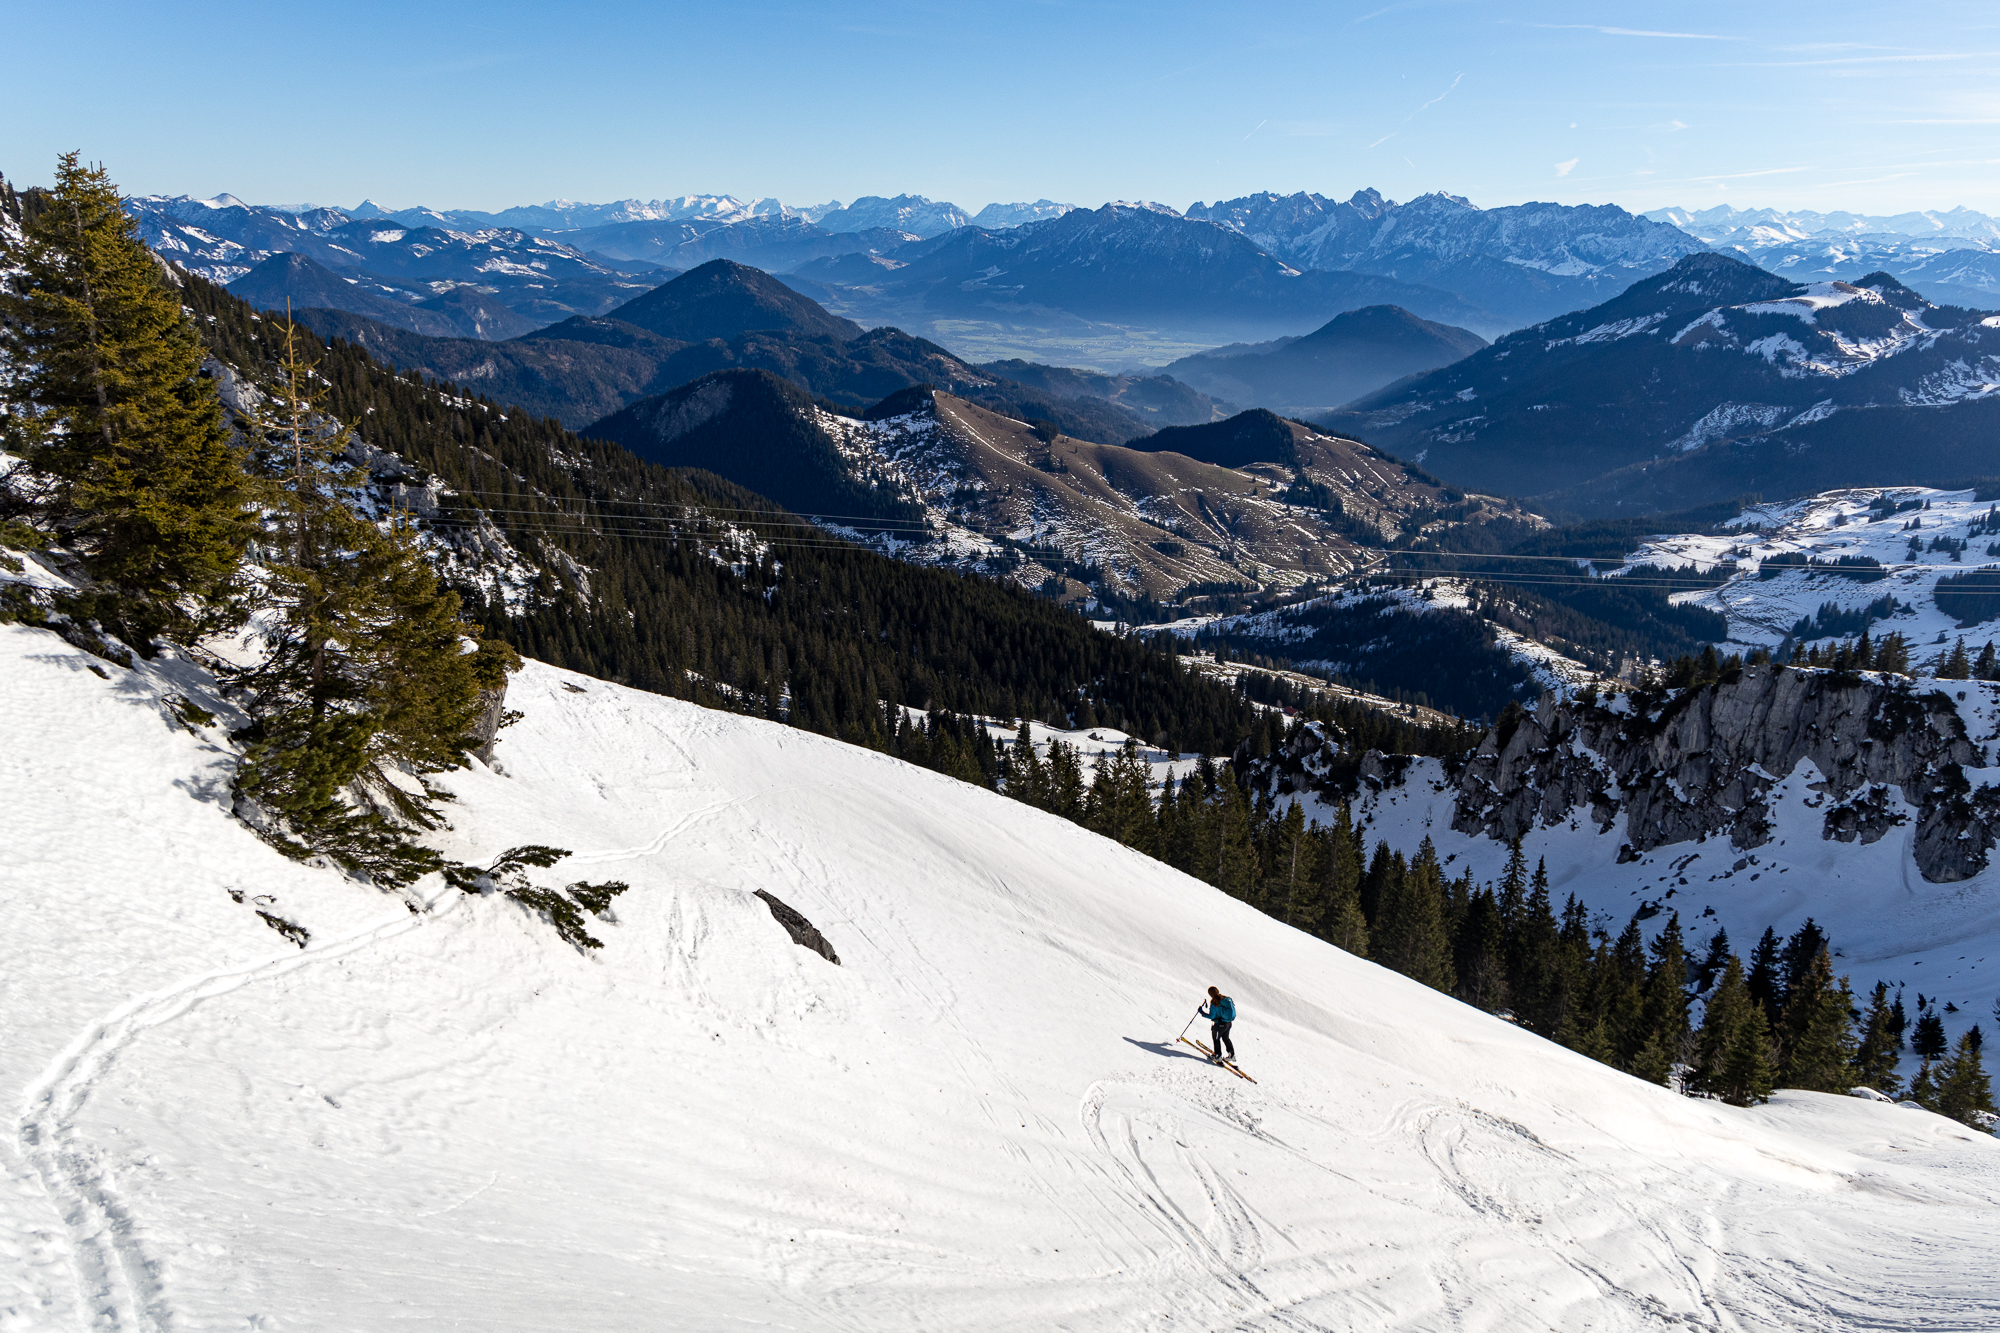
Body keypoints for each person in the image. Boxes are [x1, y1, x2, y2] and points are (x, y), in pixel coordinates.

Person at [1201, 986, 1236, 1064]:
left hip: (1219, 1025)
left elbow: (1211, 1016)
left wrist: (1202, 1013)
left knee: (1216, 1039)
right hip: (1228, 1023)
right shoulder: (1225, 999)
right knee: (1226, 1038)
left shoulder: (1215, 1002)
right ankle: (1232, 1055)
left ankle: (1218, 1056)